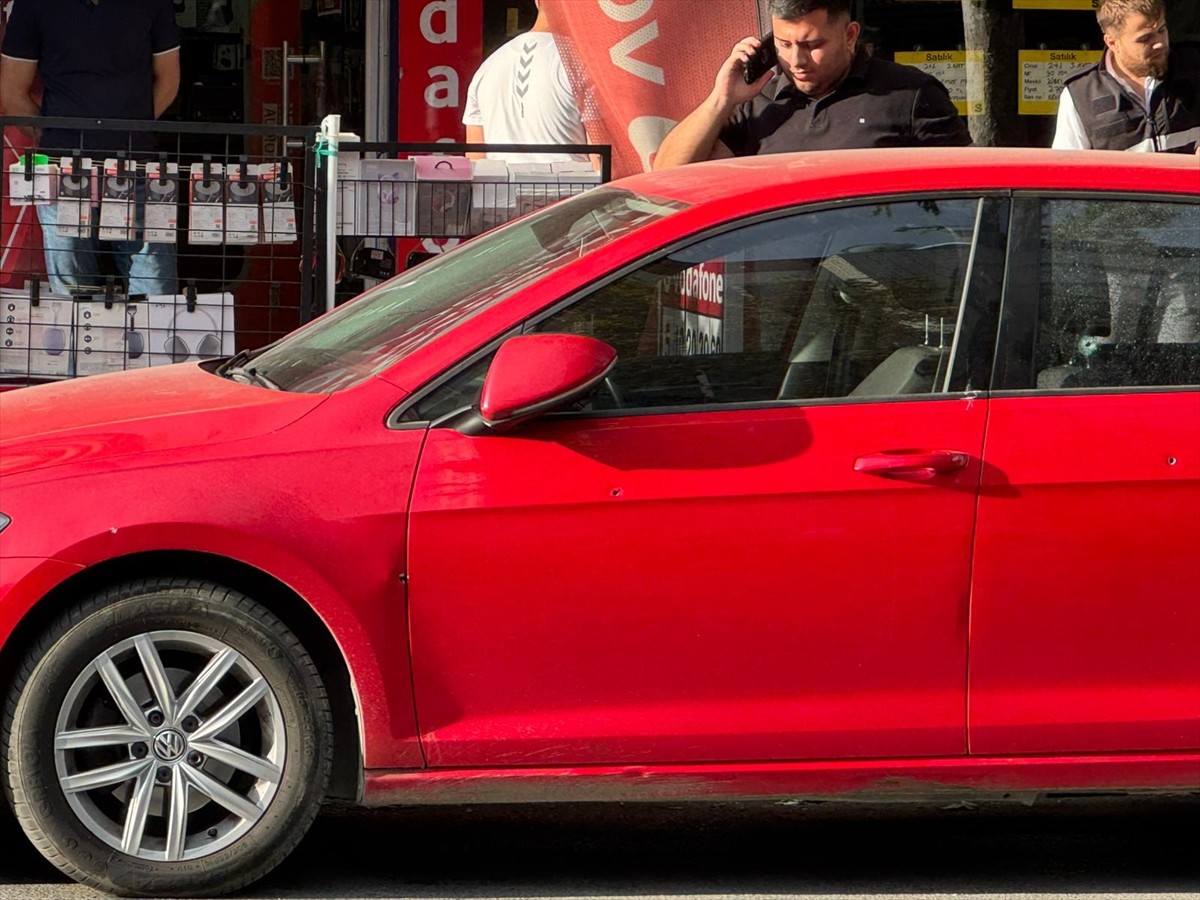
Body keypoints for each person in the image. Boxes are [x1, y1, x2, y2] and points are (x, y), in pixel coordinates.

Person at [652, 0, 970, 170]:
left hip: (876, 281)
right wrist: (721, 99)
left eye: (812, 45)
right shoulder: (757, 101)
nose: (796, 60)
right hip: (774, 280)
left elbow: (968, 198)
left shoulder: (911, 96)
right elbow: (669, 173)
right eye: (783, 44)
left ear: (850, 36)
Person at [0, 0, 181, 295]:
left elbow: (170, 79)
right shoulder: (33, 4)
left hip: (137, 166)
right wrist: (56, 138)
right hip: (63, 172)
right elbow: (11, 91)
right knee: (74, 295)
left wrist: (131, 128)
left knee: (157, 292)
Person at [1052, 0, 1199, 155]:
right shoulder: (1081, 96)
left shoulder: (1194, 66)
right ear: (1112, 43)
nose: (1160, 43)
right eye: (1145, 38)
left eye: (1162, 30)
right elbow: (1067, 172)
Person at [462, 0, 591, 165]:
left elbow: (475, 162)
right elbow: (601, 162)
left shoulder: (488, 67)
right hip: (574, 189)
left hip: (499, 189)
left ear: (538, 2)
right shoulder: (584, 64)